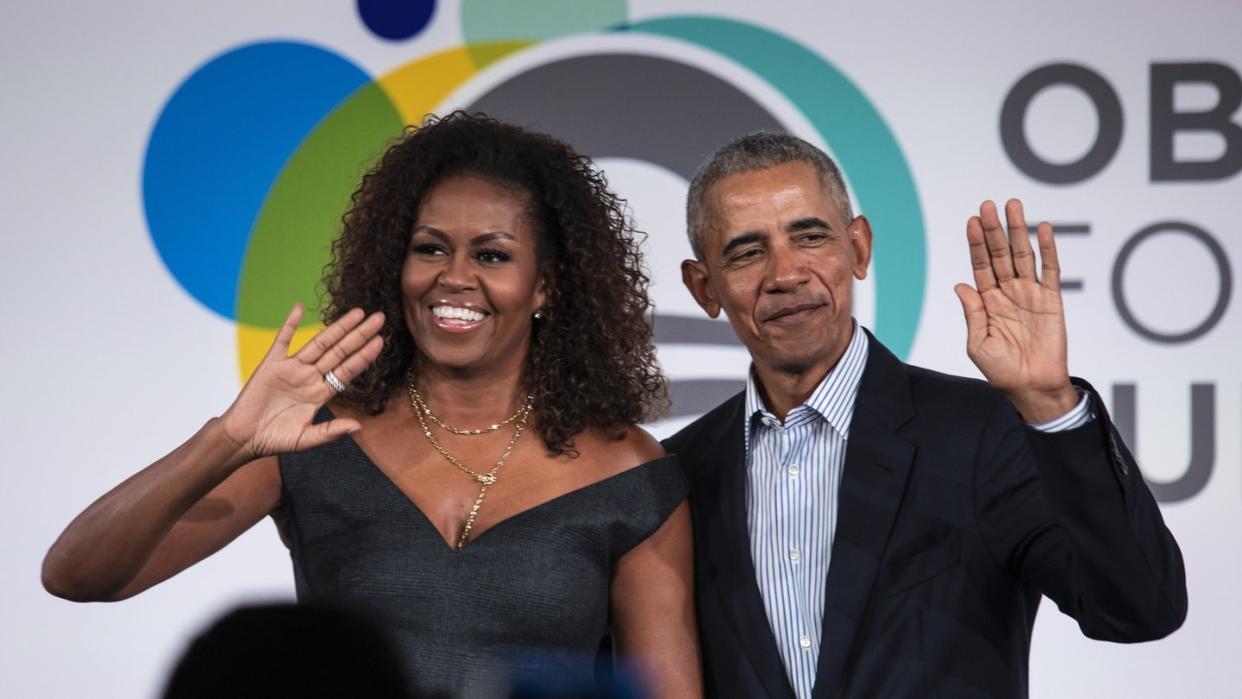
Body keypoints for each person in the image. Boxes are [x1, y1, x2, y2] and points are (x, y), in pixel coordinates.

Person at [42, 112, 702, 698]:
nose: (454, 276)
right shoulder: (313, 440)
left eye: (492, 255)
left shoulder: (628, 474)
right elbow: (78, 573)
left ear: (544, 286)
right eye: (430, 248)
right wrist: (226, 440)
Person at [664, 132, 1186, 698]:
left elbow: (1140, 609)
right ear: (703, 288)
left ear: (859, 248)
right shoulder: (677, 475)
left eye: (810, 236)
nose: (786, 274)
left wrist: (1049, 406)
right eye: (747, 252)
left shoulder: (984, 433)